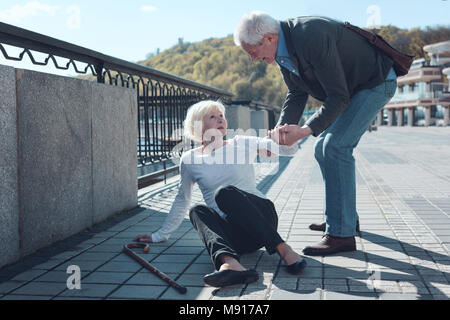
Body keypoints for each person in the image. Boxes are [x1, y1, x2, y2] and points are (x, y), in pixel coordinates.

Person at [234, 12, 398, 256]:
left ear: (268, 38)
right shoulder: (282, 50)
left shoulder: (311, 35)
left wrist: (302, 131)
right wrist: (280, 130)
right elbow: (296, 93)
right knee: (323, 148)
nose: (253, 58)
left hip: (375, 82)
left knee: (335, 147)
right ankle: (343, 218)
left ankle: (341, 235)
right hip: (352, 89)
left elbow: (338, 97)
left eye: (252, 51)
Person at [133, 100, 306, 287]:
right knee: (197, 210)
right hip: (238, 238)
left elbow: (287, 150)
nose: (220, 119)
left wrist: (282, 137)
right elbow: (182, 199)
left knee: (224, 193)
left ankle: (283, 249)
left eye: (221, 116)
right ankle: (230, 264)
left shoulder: (240, 142)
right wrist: (160, 235)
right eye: (212, 116)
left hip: (263, 220)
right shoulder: (190, 159)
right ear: (197, 125)